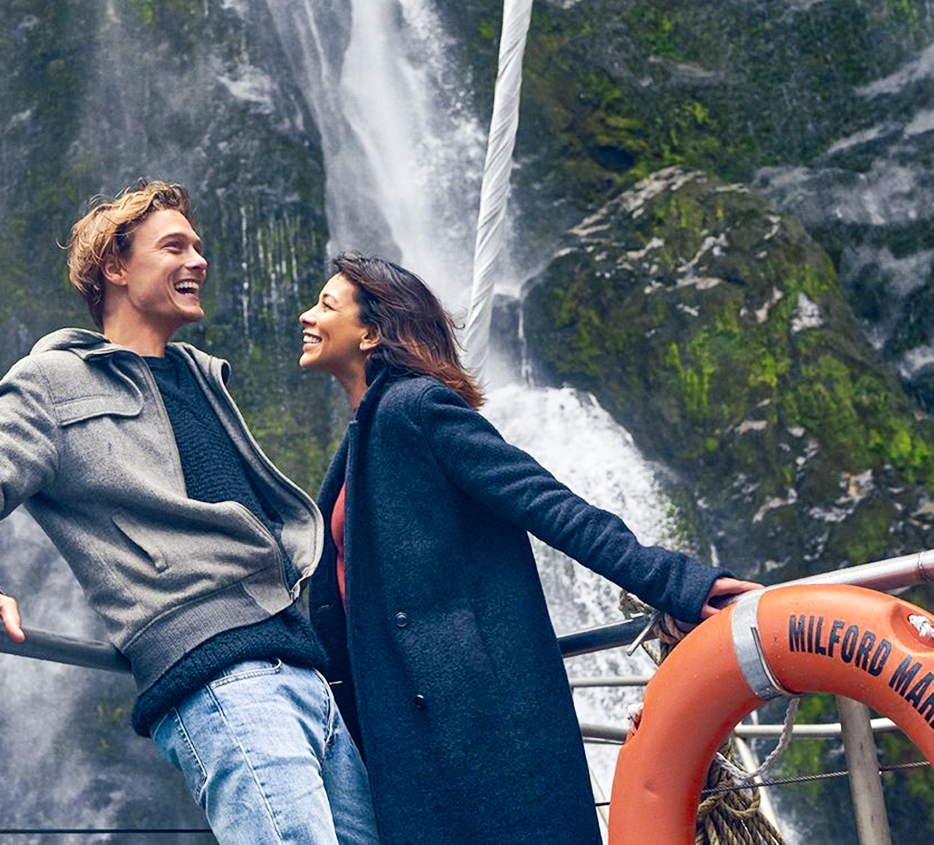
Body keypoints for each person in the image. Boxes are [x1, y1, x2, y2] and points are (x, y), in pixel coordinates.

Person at [0, 181, 380, 845]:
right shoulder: (52, 383)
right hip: (221, 677)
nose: (198, 261)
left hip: (303, 668)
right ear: (117, 268)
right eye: (175, 246)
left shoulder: (199, 377)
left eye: (200, 247)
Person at [295, 253, 760, 845]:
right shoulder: (360, 440)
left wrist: (675, 583)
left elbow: (547, 504)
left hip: (477, 727)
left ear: (372, 331)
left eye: (326, 306)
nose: (308, 317)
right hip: (409, 732)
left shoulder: (418, 408)